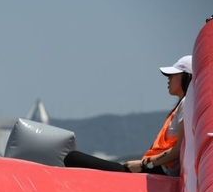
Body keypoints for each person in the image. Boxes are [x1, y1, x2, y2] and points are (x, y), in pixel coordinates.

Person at [64, 55, 192, 176]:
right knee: (74, 159)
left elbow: (178, 149)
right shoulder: (184, 104)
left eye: (173, 74)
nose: (168, 78)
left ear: (187, 77)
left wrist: (143, 164)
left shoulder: (186, 102)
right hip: (155, 169)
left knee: (73, 158)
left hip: (157, 172)